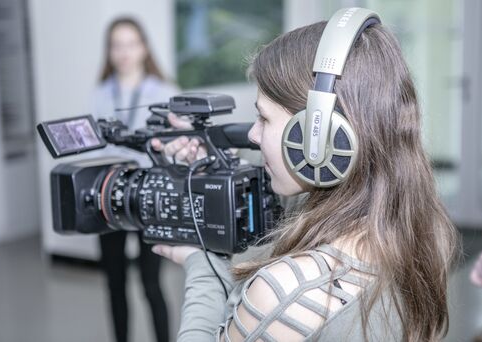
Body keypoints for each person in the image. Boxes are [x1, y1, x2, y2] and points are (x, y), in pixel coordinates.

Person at [150, 8, 460, 341]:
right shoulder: (423, 233)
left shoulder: (289, 290)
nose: (253, 135)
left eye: (264, 119)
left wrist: (203, 266)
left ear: (316, 139)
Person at [91, 17, 178, 342]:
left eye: (131, 43)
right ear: (109, 51)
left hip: (147, 199)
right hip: (108, 197)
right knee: (114, 284)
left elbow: (175, 148)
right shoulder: (100, 93)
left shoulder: (164, 92)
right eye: (117, 45)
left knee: (151, 284)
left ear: (143, 48)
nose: (124, 52)